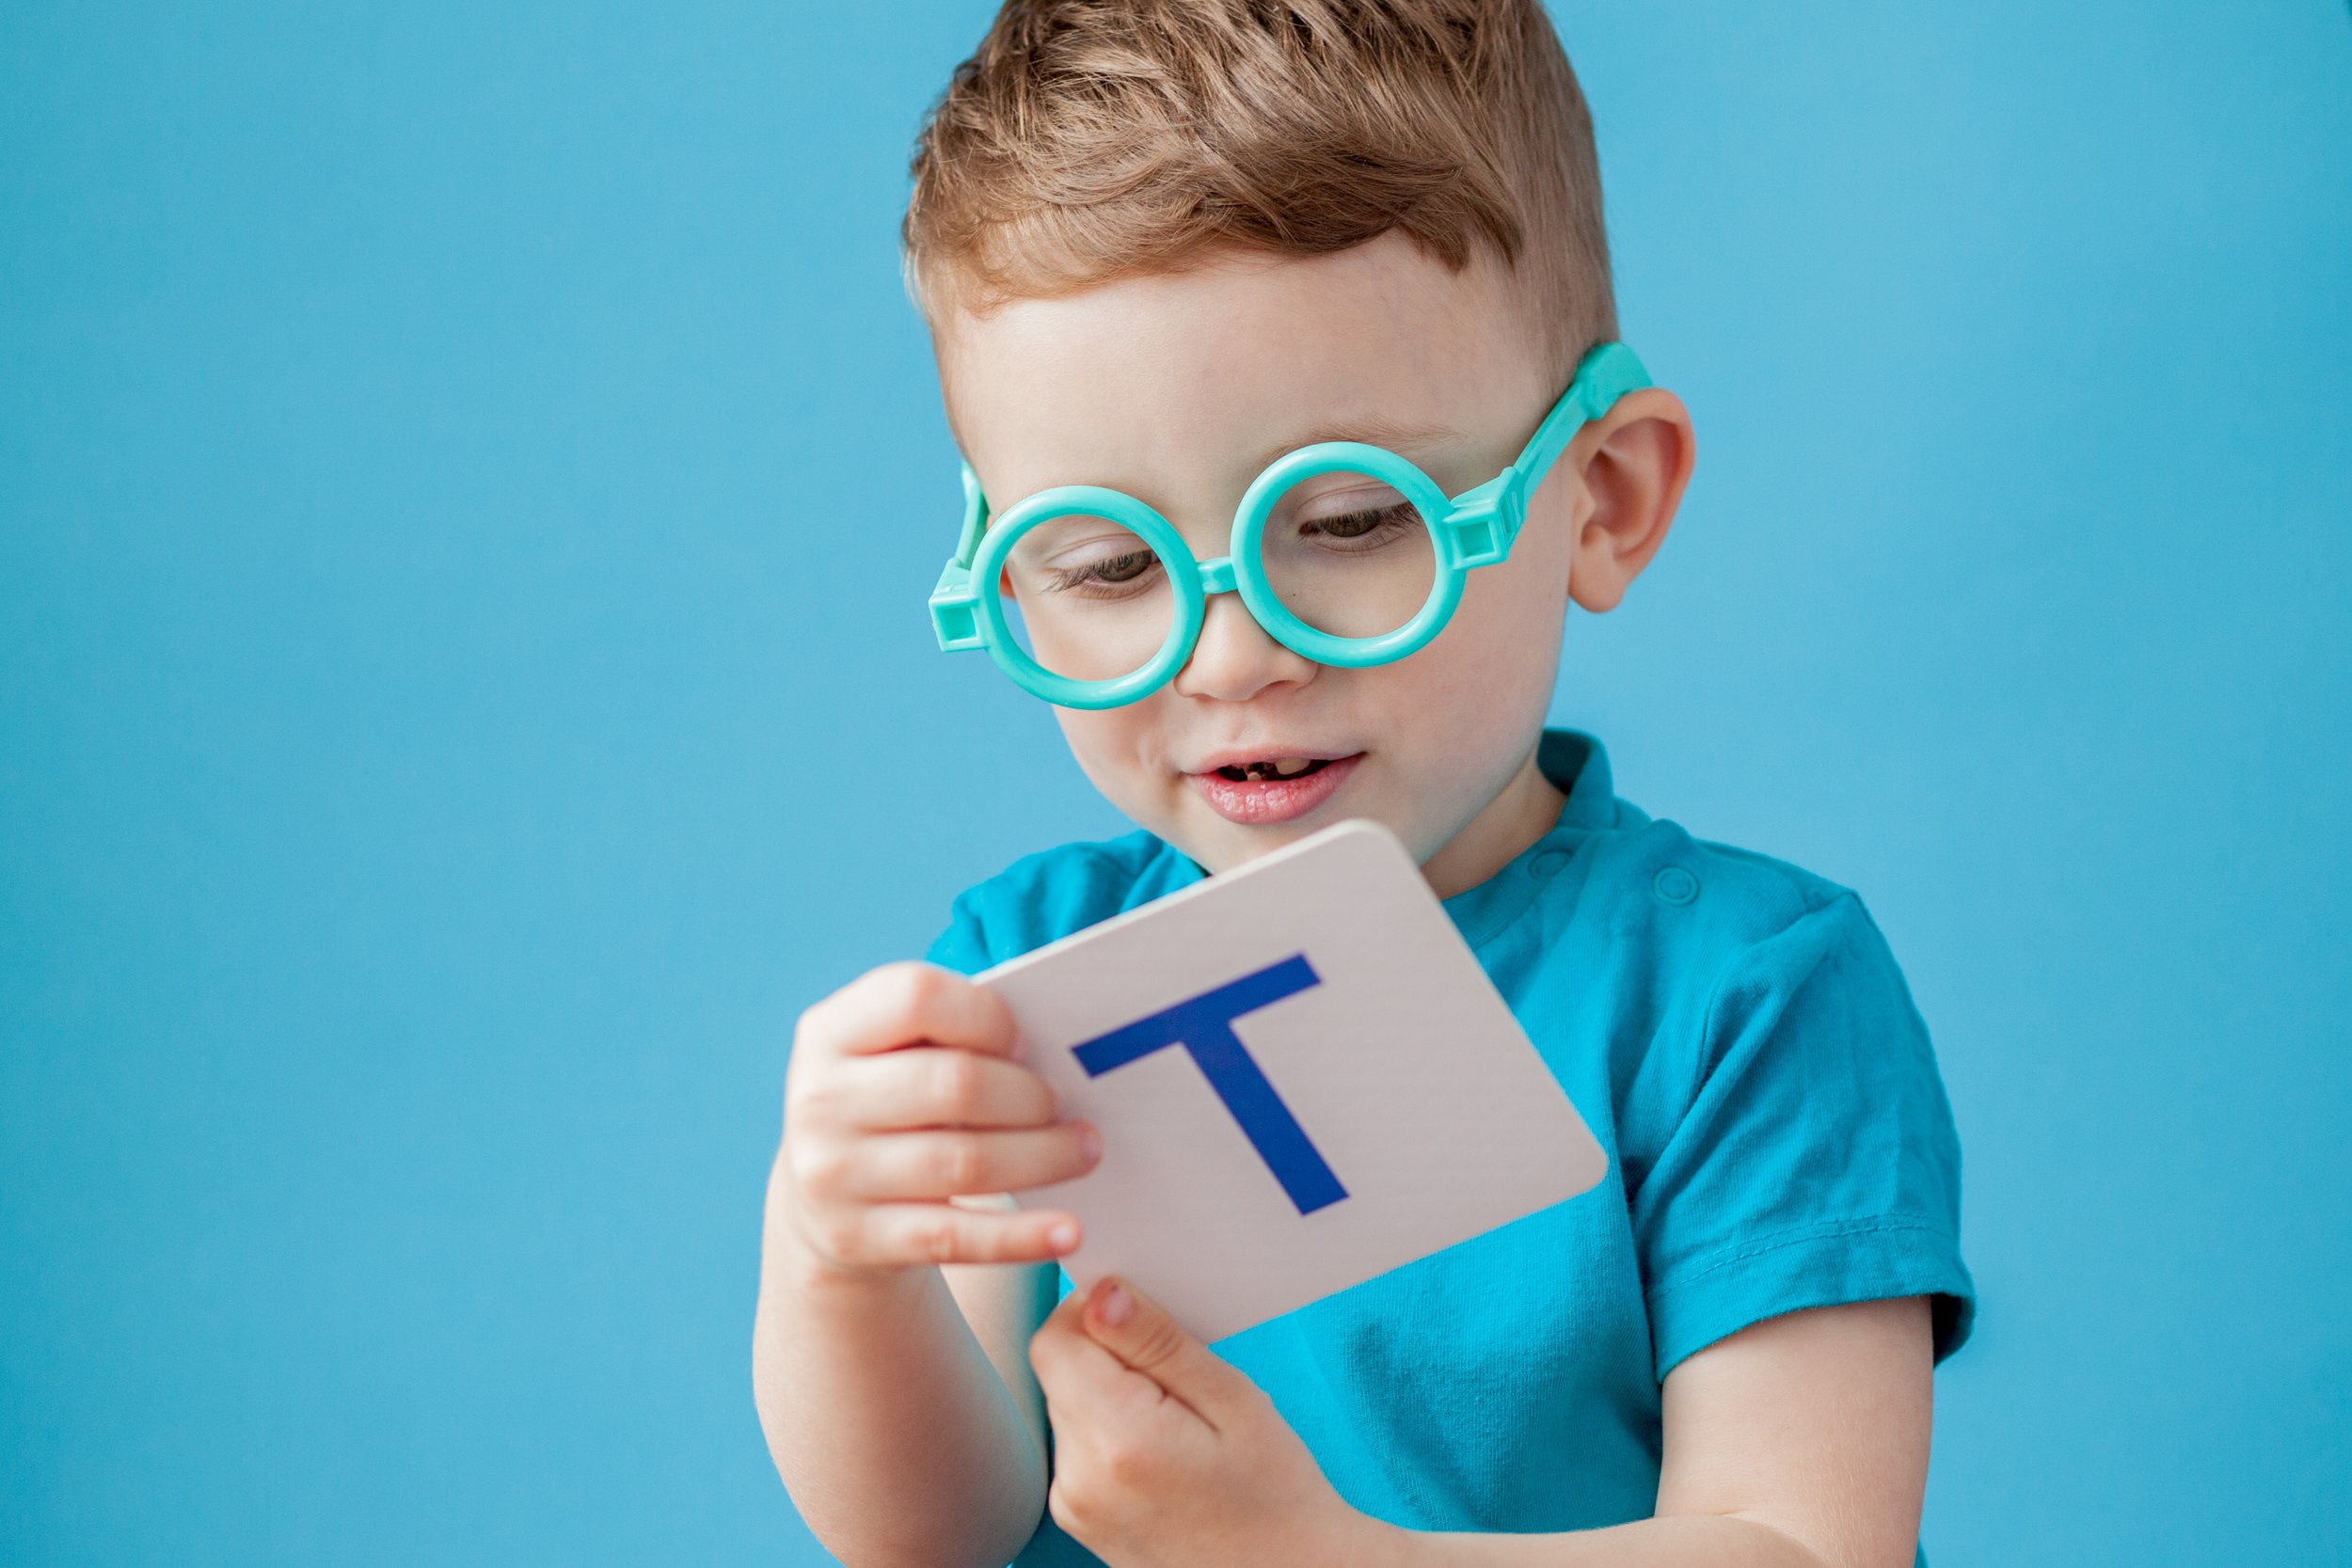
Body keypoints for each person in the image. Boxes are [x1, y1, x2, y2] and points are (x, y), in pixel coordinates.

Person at [752, 4, 1976, 1565]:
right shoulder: (1016, 973)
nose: (1230, 655)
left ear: (1598, 499)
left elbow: (1801, 1546)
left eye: (1345, 524)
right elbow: (933, 1537)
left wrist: (1320, 1557)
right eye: (1107, 563)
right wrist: (831, 1258)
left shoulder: (1742, 996)